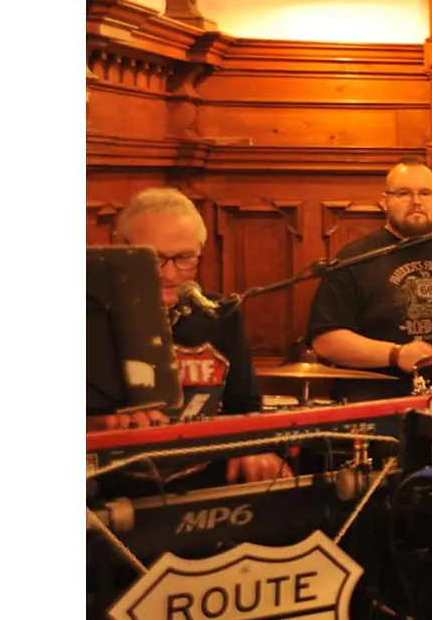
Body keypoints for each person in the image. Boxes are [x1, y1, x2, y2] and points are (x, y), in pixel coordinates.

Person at [94, 187, 288, 487]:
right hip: (108, 496)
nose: (170, 274)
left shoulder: (219, 315)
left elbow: (245, 408)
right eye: (154, 259)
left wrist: (253, 448)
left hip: (203, 485)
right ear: (120, 249)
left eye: (185, 258)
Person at [306, 159, 432, 401]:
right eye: (404, 193)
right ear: (384, 201)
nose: (416, 201)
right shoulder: (355, 258)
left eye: (425, 193)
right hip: (383, 401)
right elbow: (325, 340)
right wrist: (395, 354)